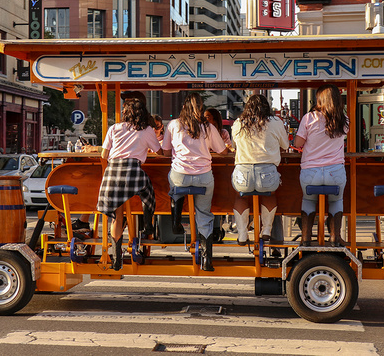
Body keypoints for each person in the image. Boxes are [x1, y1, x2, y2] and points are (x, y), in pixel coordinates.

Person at [161, 92, 228, 271]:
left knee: (174, 183)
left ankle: (176, 215)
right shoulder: (208, 127)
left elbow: (166, 152)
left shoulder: (174, 125)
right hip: (204, 177)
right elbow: (223, 151)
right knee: (204, 214)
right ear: (200, 109)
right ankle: (207, 260)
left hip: (180, 175)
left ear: (184, 106)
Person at [96, 98, 163, 270]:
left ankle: (116, 258)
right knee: (148, 192)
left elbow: (104, 155)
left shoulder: (114, 128)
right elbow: (160, 152)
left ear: (125, 113)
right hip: (133, 171)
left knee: (117, 217)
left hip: (112, 172)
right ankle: (148, 225)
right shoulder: (147, 130)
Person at [294, 84, 349, 247]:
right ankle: (334, 237)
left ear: (319, 99)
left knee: (308, 200)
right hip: (336, 172)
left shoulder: (309, 118)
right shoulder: (343, 119)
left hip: (311, 172)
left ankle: (306, 239)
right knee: (336, 201)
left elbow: (298, 143)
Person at [231, 95, 289, 245]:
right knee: (269, 195)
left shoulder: (239, 123)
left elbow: (234, 145)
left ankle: (243, 234)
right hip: (267, 172)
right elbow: (285, 146)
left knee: (240, 197)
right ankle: (266, 230)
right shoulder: (276, 122)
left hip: (243, 173)